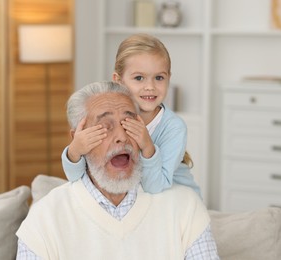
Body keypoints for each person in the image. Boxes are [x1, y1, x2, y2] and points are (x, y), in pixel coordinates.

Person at [16, 81, 219, 259]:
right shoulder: (45, 219)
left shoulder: (185, 207)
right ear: (77, 138)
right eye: (105, 126)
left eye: (129, 123)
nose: (121, 136)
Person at [61, 33, 201, 197]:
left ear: (169, 78)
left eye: (159, 77)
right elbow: (75, 178)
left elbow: (155, 187)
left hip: (175, 200)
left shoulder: (174, 127)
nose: (150, 86)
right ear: (118, 80)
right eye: (139, 78)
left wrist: (148, 147)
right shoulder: (110, 120)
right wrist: (74, 151)